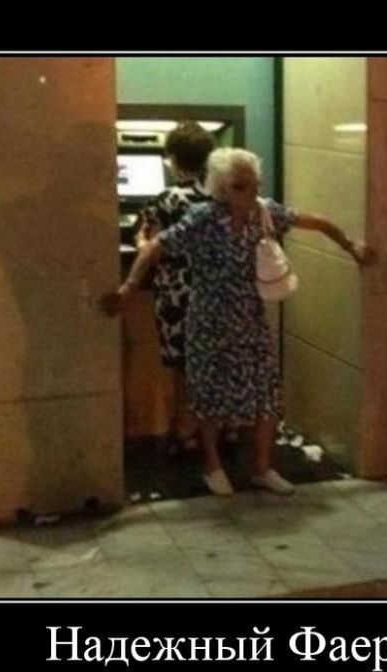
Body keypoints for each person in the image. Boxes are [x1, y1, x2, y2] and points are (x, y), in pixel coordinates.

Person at [103, 148, 374, 496]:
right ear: (221, 189)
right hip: (208, 322)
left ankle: (262, 468)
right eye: (240, 186)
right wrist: (128, 288)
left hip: (250, 321)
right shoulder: (203, 217)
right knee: (209, 397)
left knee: (265, 395)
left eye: (254, 184)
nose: (250, 192)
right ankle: (212, 465)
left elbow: (316, 222)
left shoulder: (264, 212)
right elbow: (156, 246)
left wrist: (351, 245)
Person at [107, 121, 215, 454]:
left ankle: (183, 431)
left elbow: (144, 238)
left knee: (182, 365)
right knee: (210, 362)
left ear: (172, 159)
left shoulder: (166, 199)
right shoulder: (219, 195)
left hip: (176, 295)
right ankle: (218, 432)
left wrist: (142, 247)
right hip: (215, 292)